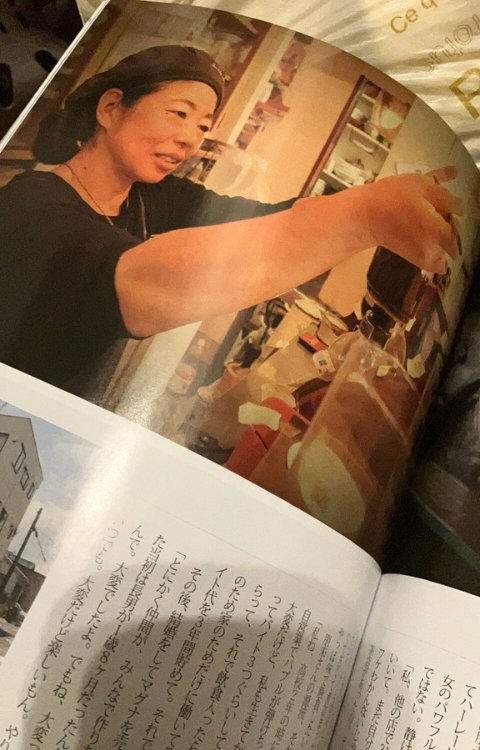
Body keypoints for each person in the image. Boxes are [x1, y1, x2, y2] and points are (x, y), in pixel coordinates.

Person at [0, 45, 462, 395]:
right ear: (111, 108)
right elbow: (137, 280)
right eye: (180, 114)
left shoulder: (152, 195)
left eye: (203, 126)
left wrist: (370, 201)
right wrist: (362, 216)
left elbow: (264, 219)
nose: (191, 139)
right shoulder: (29, 204)